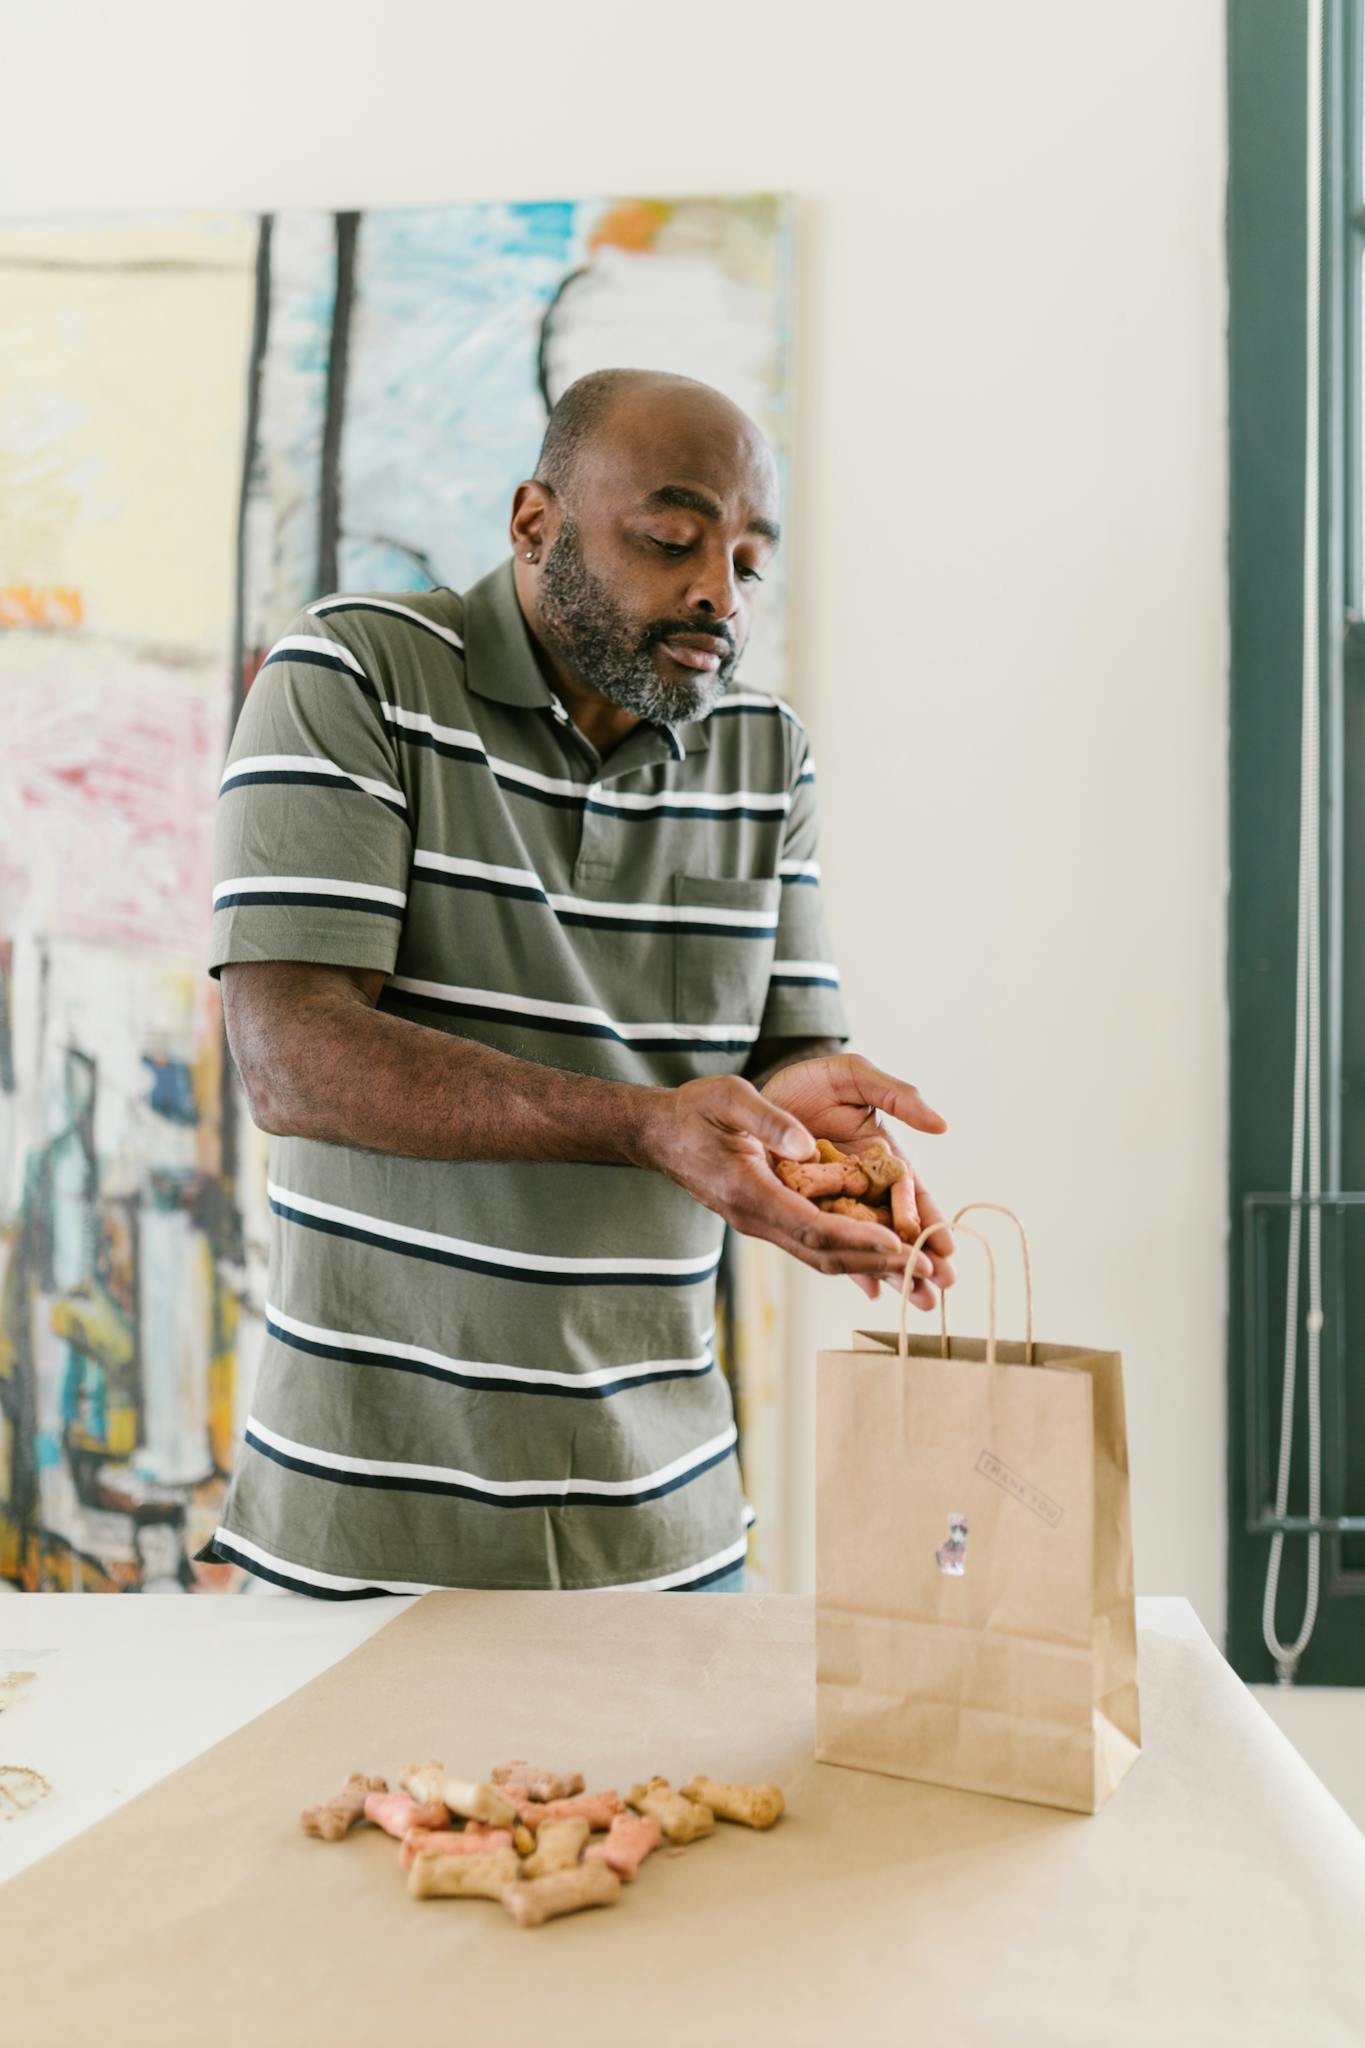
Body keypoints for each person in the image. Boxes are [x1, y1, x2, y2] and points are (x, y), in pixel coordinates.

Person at [198, 367, 955, 1598]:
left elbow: (784, 1061)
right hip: (367, 1533)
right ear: (535, 525)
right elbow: (292, 1058)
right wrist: (644, 1125)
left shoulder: (768, 756)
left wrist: (826, 1134)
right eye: (670, 539)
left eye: (748, 562)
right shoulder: (354, 678)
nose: (718, 591)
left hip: (673, 1532)